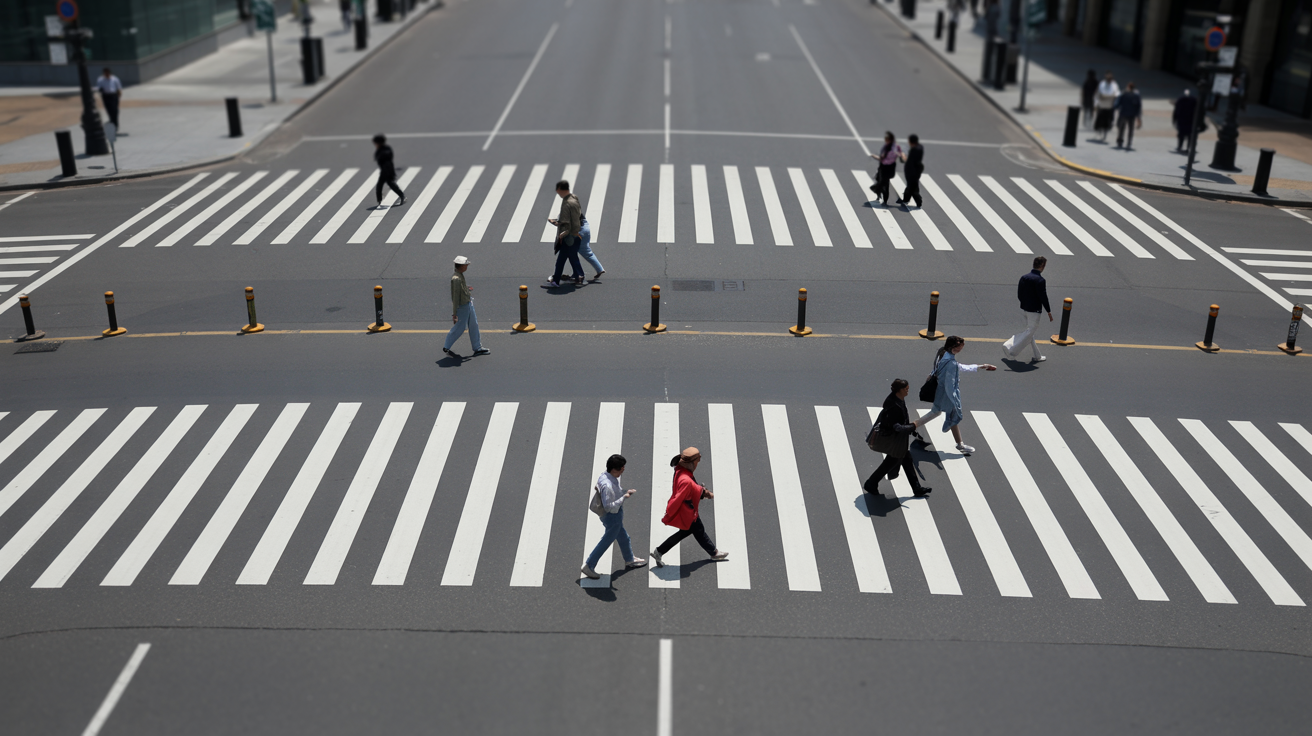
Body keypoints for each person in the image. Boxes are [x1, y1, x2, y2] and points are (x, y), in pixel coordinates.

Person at [913, 336, 996, 455]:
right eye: (960, 346)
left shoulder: (943, 353)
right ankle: (960, 444)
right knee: (953, 415)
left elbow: (956, 367)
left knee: (937, 412)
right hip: (946, 393)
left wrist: (980, 366)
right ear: (954, 347)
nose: (962, 348)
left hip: (940, 390)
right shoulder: (951, 363)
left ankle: (913, 426)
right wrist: (954, 399)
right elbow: (949, 383)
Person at [652, 447, 729, 567]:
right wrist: (707, 494)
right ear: (692, 463)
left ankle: (660, 551)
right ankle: (714, 553)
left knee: (687, 532)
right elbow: (691, 491)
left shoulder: (679, 470)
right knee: (698, 530)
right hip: (688, 511)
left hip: (687, 510)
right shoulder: (686, 480)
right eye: (697, 462)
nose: (697, 464)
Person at [581, 454, 647, 579]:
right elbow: (608, 506)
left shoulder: (605, 476)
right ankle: (589, 565)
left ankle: (629, 559)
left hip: (613, 516)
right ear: (615, 469)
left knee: (624, 538)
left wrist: (624, 492)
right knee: (606, 541)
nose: (624, 469)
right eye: (622, 468)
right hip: (612, 516)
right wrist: (624, 497)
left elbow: (607, 491)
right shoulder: (608, 485)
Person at [864, 379, 932, 497]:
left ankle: (916, 488)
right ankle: (871, 483)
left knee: (906, 459)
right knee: (891, 462)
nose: (907, 391)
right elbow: (897, 427)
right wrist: (912, 426)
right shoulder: (894, 405)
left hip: (899, 441)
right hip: (895, 441)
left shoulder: (898, 399)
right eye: (906, 389)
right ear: (899, 390)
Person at [1002, 256, 1052, 363]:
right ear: (1042, 266)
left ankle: (1037, 356)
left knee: (1030, 333)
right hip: (1034, 311)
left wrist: (1024, 304)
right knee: (1029, 332)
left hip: (1024, 308)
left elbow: (1019, 294)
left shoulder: (1024, 277)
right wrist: (1048, 311)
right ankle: (1010, 347)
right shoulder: (1040, 280)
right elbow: (1043, 297)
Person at [443, 255, 489, 358]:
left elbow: (460, 290)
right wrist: (454, 314)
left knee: (474, 325)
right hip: (462, 306)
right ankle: (447, 345)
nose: (467, 267)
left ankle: (477, 348)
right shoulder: (456, 279)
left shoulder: (460, 275)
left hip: (468, 303)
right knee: (460, 328)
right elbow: (455, 297)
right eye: (465, 265)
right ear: (461, 266)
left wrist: (466, 288)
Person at [544, 180, 584, 288]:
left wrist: (557, 227)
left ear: (560, 190)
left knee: (561, 260)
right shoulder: (574, 198)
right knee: (572, 257)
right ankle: (579, 276)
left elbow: (566, 223)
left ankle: (556, 281)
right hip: (577, 233)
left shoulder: (566, 204)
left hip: (568, 236)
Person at [372, 134, 406, 208]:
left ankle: (401, 196)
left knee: (387, 184)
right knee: (386, 184)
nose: (375, 144)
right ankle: (380, 200)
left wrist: (388, 172)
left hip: (387, 170)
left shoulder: (385, 150)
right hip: (384, 170)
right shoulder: (381, 149)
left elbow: (386, 158)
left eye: (376, 143)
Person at [868, 132, 902, 206]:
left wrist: (874, 156)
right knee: (885, 183)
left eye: (886, 140)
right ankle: (882, 196)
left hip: (885, 168)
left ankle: (879, 192)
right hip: (891, 167)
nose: (885, 141)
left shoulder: (888, 149)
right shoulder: (896, 147)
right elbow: (900, 154)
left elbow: (883, 159)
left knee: (883, 183)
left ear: (889, 140)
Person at [897, 134, 924, 208]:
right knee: (912, 185)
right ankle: (906, 199)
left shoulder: (914, 150)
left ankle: (918, 201)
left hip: (912, 171)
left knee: (912, 187)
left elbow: (907, 160)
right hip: (916, 169)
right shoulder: (919, 147)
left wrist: (902, 155)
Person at [1114, 82, 1142, 150]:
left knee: (1121, 128)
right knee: (1130, 130)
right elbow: (1138, 107)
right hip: (1131, 115)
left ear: (1128, 87)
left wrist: (1115, 108)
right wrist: (1138, 117)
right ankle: (1129, 143)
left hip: (1123, 114)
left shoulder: (1124, 94)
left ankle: (1120, 141)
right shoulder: (1136, 96)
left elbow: (1118, 103)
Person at [577, 215, 605, 281]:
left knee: (571, 255)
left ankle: (577, 274)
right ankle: (600, 269)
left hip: (580, 230)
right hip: (585, 227)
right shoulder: (576, 208)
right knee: (587, 252)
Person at [1094, 72, 1119, 142]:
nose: (1109, 80)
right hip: (1102, 105)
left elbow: (1117, 93)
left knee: (1108, 121)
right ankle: (1099, 131)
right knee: (1100, 120)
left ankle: (1105, 133)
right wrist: (1096, 104)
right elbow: (1098, 94)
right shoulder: (1102, 84)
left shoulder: (1114, 85)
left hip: (1109, 106)